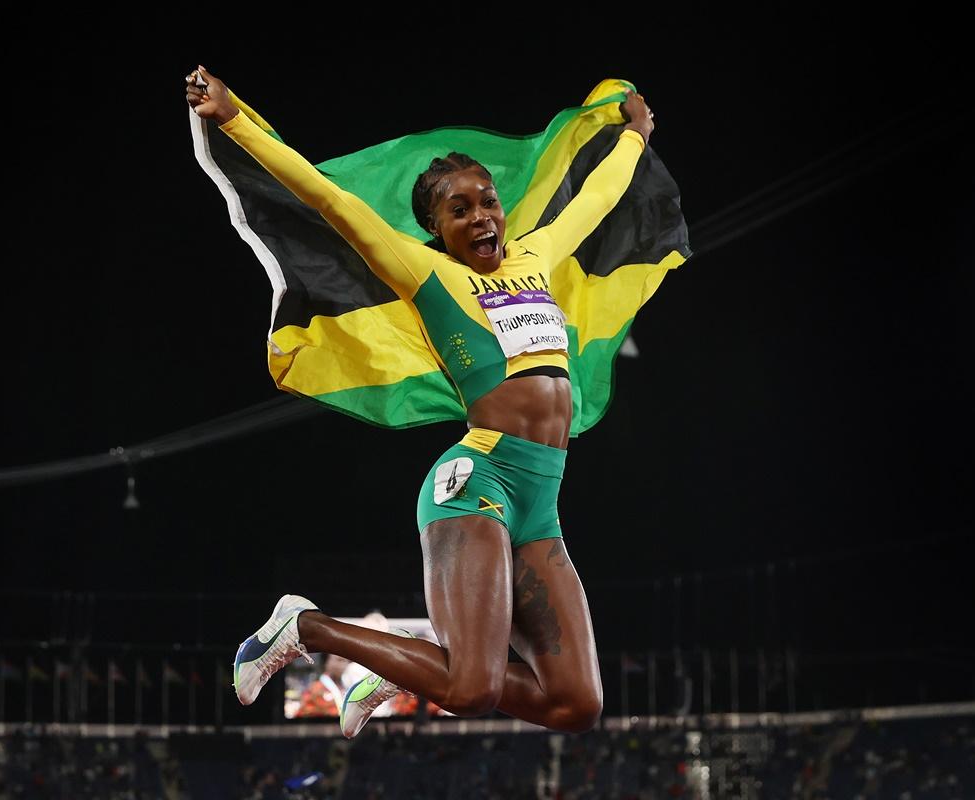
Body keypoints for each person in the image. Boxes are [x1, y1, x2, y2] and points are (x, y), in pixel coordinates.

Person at [185, 65, 655, 737]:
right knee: (470, 688)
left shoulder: (536, 254)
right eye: (459, 210)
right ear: (437, 230)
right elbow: (326, 199)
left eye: (487, 201)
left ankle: (401, 666)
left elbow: (599, 198)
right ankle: (305, 625)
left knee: (577, 704)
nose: (481, 216)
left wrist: (634, 136)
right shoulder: (426, 273)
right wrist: (232, 118)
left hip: (539, 500)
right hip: (478, 485)